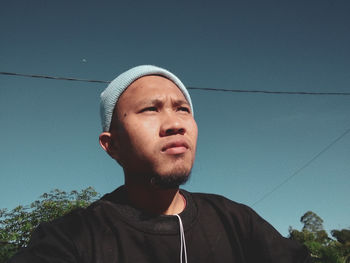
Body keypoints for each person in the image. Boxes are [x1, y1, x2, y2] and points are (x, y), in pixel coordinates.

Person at [9, 65, 311, 263]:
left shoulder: (237, 222)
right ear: (111, 145)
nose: (174, 124)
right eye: (150, 109)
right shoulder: (73, 237)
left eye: (182, 109)